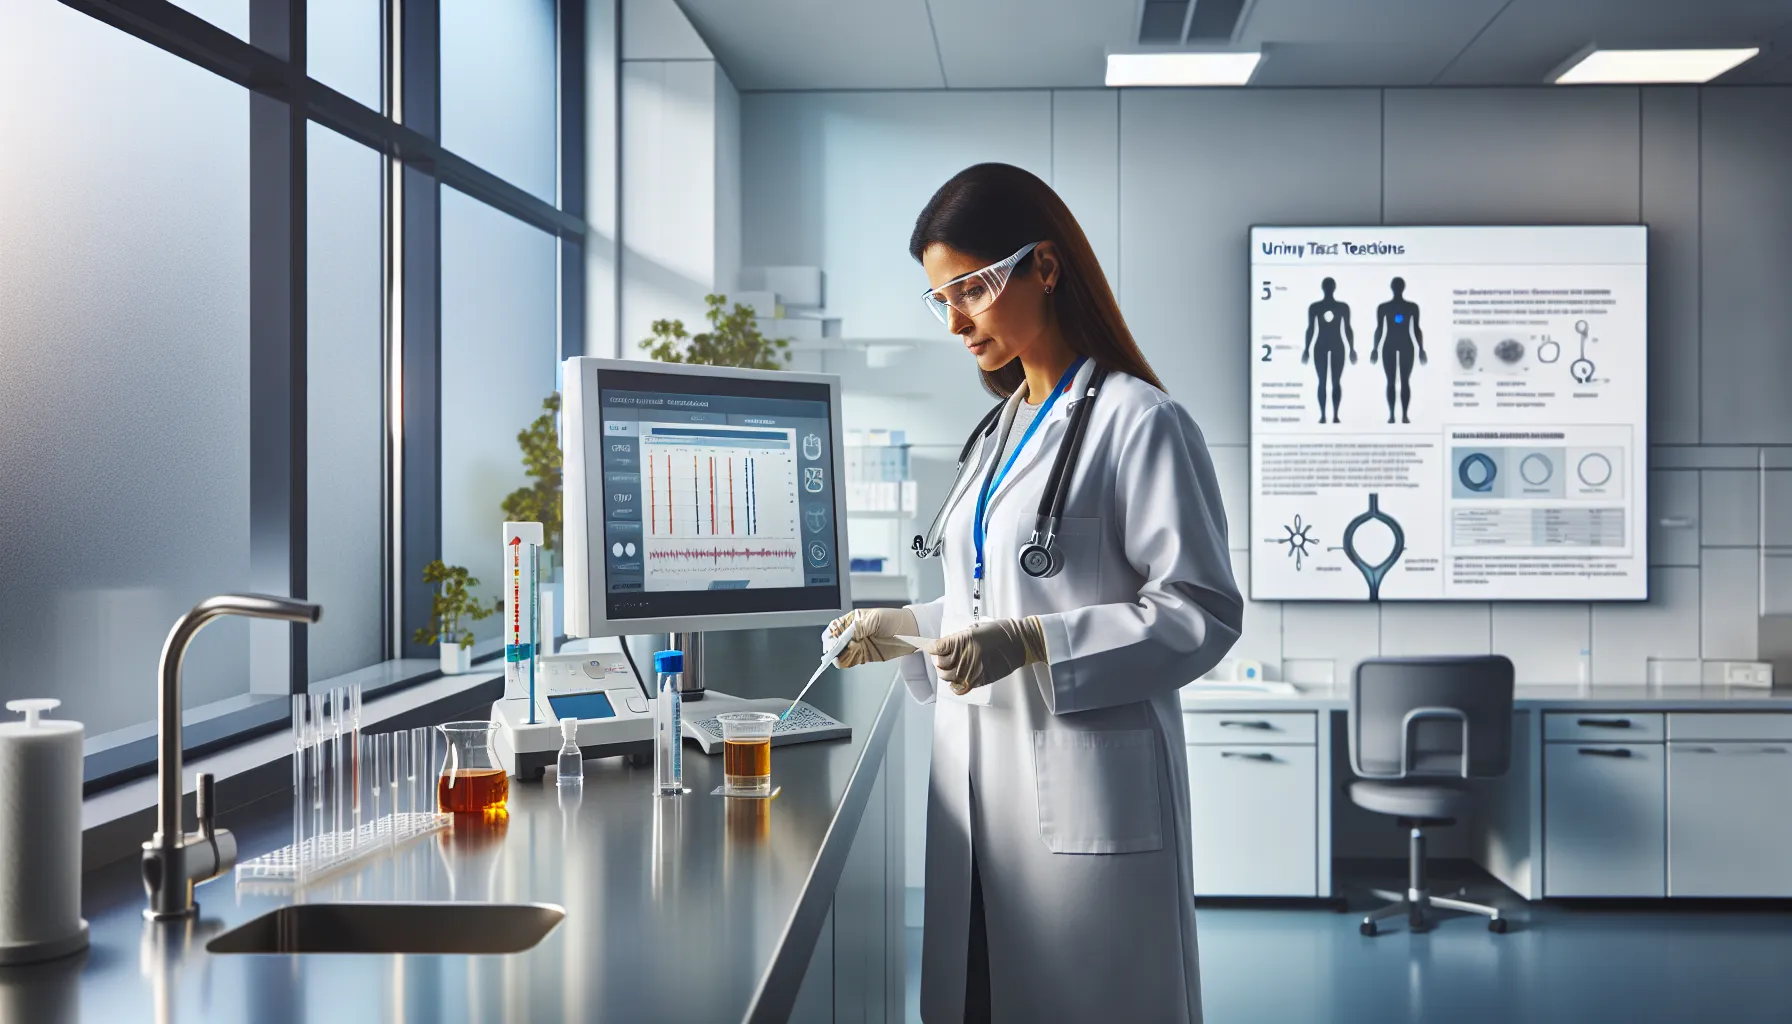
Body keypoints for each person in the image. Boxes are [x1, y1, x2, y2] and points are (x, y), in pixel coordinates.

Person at [823, 163, 1242, 1023]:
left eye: (969, 290)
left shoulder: (1140, 421)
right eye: (939, 299)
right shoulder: (998, 433)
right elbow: (988, 610)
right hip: (976, 797)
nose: (954, 321)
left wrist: (1040, 642)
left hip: (1085, 799)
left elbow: (1201, 609)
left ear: (1043, 267)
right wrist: (906, 625)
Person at [1372, 276, 1426, 424]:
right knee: (1391, 381)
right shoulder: (1384, 308)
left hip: (1405, 345)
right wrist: (1375, 348)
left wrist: (1421, 348)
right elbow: (1379, 329)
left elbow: (1416, 328)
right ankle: (1392, 415)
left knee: (1404, 381)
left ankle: (1404, 415)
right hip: (1391, 345)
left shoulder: (1412, 307)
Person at [1301, 276, 1355, 423]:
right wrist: (1306, 349)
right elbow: (1311, 329)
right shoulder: (1315, 307)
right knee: (1323, 381)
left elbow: (1348, 329)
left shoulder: (1342, 307)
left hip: (1336, 345)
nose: (1329, 289)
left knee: (1335, 381)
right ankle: (1324, 415)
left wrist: (1351, 349)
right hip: (1322, 346)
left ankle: (1335, 415)